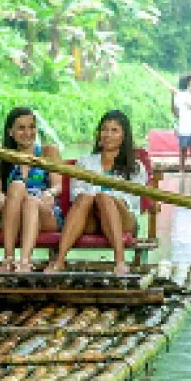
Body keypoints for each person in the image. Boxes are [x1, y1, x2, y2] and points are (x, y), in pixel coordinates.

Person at [47, 110, 149, 275]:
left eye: (114, 130)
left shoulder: (135, 167)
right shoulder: (85, 162)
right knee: (86, 198)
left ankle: (120, 262)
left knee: (104, 198)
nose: (107, 134)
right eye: (104, 129)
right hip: (91, 219)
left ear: (124, 136)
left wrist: (104, 198)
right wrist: (97, 198)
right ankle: (59, 261)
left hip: (124, 219)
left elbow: (130, 201)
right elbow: (76, 194)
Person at [0, 107, 63, 273]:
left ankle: (24, 261)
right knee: (17, 186)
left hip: (43, 212)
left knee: (31, 201)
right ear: (11, 132)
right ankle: (9, 258)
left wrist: (49, 193)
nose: (28, 132)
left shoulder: (48, 152)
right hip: (12, 214)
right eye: (21, 128)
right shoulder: (4, 158)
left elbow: (58, 185)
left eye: (31, 127)